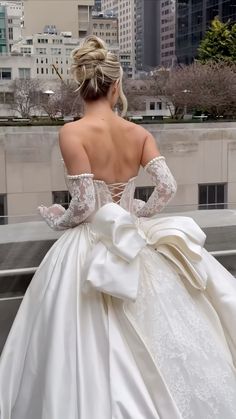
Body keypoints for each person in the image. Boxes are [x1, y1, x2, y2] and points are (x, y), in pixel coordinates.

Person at [0, 35, 236, 419]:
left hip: (86, 247)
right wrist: (138, 214)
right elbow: (168, 187)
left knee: (75, 342)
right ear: (117, 84)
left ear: (80, 84)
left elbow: (85, 205)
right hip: (134, 244)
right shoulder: (139, 134)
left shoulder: (72, 133)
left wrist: (54, 217)